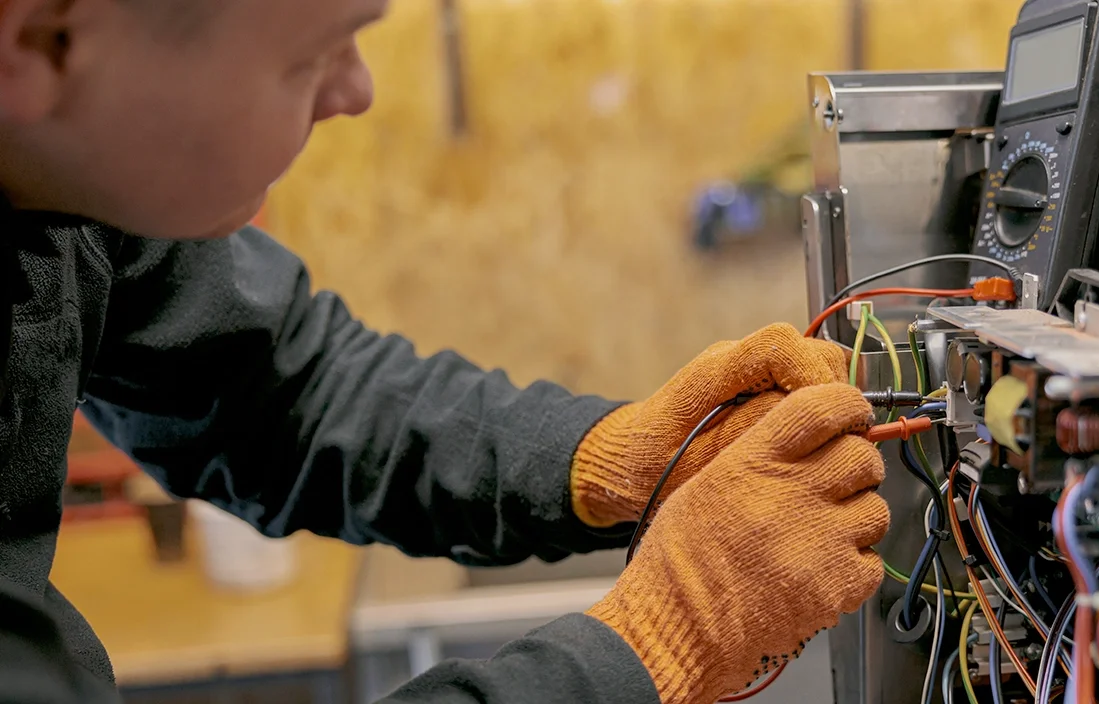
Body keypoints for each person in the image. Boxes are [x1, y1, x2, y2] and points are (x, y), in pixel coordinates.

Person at [0, 0, 890, 702]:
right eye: (309, 56)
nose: (356, 92)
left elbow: (287, 391)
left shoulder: (69, 183)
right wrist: (668, 637)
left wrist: (610, 454)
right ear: (38, 40)